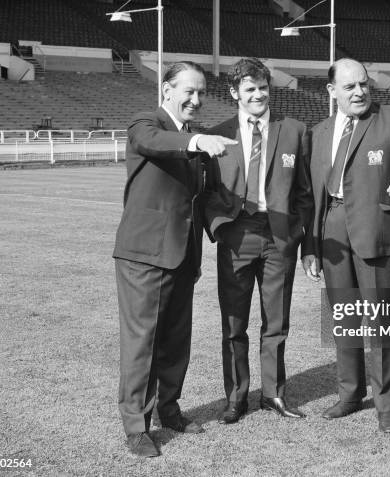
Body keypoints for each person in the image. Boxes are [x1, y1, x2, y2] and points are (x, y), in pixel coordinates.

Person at [305, 58, 390, 434]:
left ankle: (387, 404)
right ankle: (350, 394)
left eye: (364, 84)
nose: (360, 92)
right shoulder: (317, 133)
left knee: (383, 318)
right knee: (343, 319)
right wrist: (311, 245)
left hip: (378, 231)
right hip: (332, 232)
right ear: (332, 92)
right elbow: (310, 195)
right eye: (349, 87)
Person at [113, 61, 237, 458]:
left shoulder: (192, 139)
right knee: (142, 343)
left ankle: (169, 409)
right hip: (144, 256)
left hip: (184, 256)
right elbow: (153, 141)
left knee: (175, 341)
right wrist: (196, 143)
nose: (196, 100)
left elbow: (205, 198)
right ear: (166, 89)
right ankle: (136, 426)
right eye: (189, 91)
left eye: (201, 93)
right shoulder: (145, 122)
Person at [203, 58, 314, 424]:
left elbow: (305, 191)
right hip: (236, 237)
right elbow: (206, 192)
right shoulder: (218, 134)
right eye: (249, 89)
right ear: (235, 93)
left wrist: (297, 235)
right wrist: (220, 227)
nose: (258, 95)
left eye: (263, 88)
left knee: (276, 322)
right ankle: (236, 398)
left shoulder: (294, 131)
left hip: (278, 238)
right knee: (234, 324)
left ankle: (273, 394)